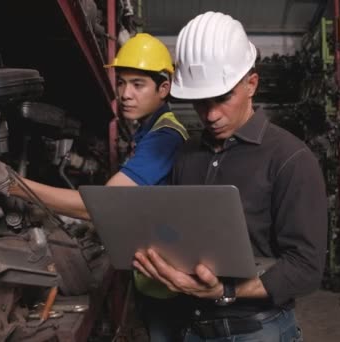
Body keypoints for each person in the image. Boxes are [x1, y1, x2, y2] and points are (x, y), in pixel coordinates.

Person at [0, 33, 189, 340]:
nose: (125, 94)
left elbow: (105, 205)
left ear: (164, 88)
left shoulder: (166, 136)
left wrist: (10, 183)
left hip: (167, 281)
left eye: (138, 84)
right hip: (156, 272)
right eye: (121, 83)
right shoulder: (148, 132)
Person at [132, 11, 328, 341]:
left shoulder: (291, 159)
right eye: (199, 102)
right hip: (190, 326)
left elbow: (306, 268)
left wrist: (226, 290)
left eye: (222, 98)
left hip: (257, 330)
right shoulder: (186, 155)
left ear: (251, 84)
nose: (210, 115)